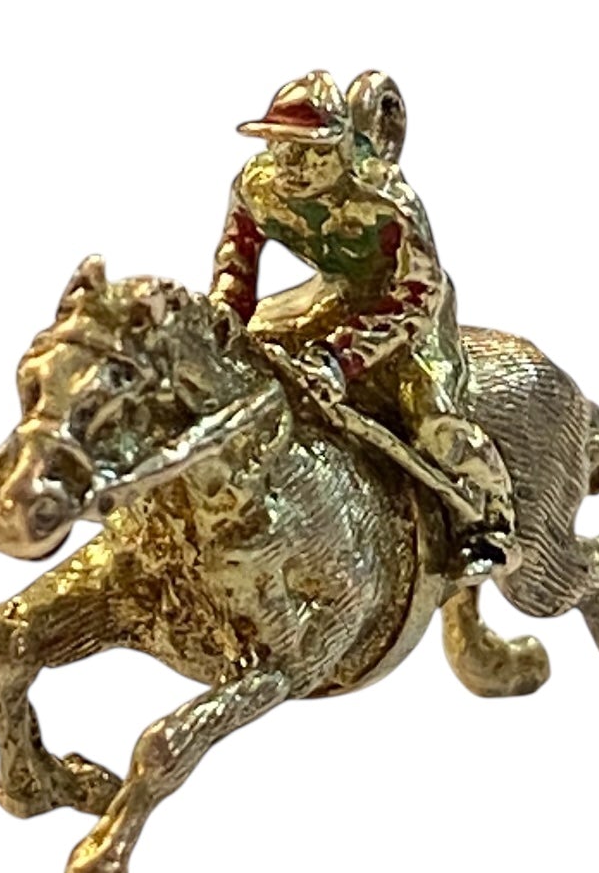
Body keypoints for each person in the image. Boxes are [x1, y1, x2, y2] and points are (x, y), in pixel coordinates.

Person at [210, 68, 519, 577]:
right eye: (280, 147)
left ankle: (495, 521)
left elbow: (419, 291)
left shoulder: (385, 202)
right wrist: (225, 309)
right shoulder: (258, 187)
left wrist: (340, 358)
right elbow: (236, 256)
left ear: (342, 149)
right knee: (241, 362)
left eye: (311, 150)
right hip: (332, 296)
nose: (292, 164)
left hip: (409, 313)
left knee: (436, 423)